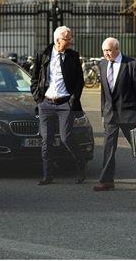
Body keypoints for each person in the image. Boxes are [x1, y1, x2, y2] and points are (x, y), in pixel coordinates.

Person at [94, 37, 136, 191]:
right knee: (109, 148)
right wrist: (103, 113)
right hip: (110, 114)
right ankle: (107, 180)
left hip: (129, 113)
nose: (106, 54)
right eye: (104, 51)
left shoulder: (130, 64)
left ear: (117, 49)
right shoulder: (102, 64)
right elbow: (104, 92)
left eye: (109, 50)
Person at [30, 26, 86, 185]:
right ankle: (47, 175)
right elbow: (35, 78)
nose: (70, 42)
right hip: (46, 103)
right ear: (57, 40)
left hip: (65, 104)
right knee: (46, 139)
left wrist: (73, 100)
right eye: (67, 40)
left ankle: (80, 165)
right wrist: (38, 98)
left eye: (70, 39)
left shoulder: (73, 56)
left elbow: (79, 81)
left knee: (66, 137)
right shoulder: (43, 54)